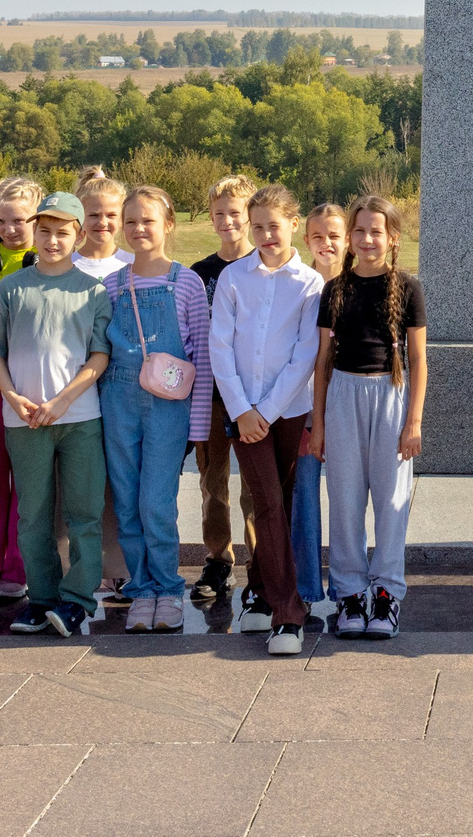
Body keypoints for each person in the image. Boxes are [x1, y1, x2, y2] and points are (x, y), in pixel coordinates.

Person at [0, 191, 114, 637]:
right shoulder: (10, 289)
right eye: (45, 231)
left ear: (78, 235)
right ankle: (40, 598)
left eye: (63, 232)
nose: (53, 240)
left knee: (84, 513)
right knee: (34, 515)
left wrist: (62, 400)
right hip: (24, 420)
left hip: (79, 419)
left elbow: (98, 355)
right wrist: (11, 396)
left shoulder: (92, 291)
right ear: (34, 233)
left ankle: (78, 599)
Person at [209, 183, 326, 655]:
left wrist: (268, 411)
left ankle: (257, 589)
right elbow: (220, 345)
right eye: (256, 226)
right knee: (268, 502)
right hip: (243, 414)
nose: (264, 234)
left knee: (280, 502)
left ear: (293, 224)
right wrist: (242, 410)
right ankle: (288, 613)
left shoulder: (309, 283)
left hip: (288, 412)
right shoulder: (236, 278)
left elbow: (305, 355)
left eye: (273, 226)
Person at [312, 194, 429, 640]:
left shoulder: (409, 288)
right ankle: (349, 592)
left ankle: (385, 593)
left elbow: (418, 360)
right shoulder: (335, 289)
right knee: (344, 501)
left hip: (391, 395)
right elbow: (323, 360)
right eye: (358, 231)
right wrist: (318, 424)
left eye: (375, 231)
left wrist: (413, 422)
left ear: (392, 237)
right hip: (343, 393)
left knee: (391, 503)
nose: (365, 239)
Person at [100, 185, 213, 634]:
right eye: (131, 221)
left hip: (170, 408)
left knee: (157, 503)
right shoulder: (111, 284)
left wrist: (198, 423)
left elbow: (201, 355)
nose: (139, 228)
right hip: (118, 401)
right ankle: (141, 589)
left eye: (148, 220)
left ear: (168, 225)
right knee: (126, 500)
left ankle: (169, 589)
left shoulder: (186, 282)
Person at [189, 173, 261, 604]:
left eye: (236, 213)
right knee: (213, 483)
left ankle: (261, 562)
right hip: (212, 397)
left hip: (254, 397)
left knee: (255, 486)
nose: (227, 221)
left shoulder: (264, 266)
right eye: (220, 214)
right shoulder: (200, 274)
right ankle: (218, 559)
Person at [0, 174, 45, 601]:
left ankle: (17, 568)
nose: (11, 229)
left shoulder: (49, 258)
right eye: (2, 221)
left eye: (20, 220)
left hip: (34, 387)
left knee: (27, 484)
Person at [69, 171, 133, 605]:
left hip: (123, 389)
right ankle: (73, 569)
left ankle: (120, 570)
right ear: (79, 218)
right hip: (73, 389)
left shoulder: (131, 265)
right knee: (77, 484)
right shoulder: (63, 265)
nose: (103, 223)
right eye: (94, 214)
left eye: (112, 214)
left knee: (119, 482)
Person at [292, 204, 349, 618]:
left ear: (347, 239)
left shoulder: (357, 285)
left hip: (349, 407)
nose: (326, 243)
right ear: (305, 240)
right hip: (304, 410)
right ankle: (308, 589)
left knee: (348, 500)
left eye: (334, 235)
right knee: (304, 499)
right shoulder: (301, 287)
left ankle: (349, 587)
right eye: (317, 236)